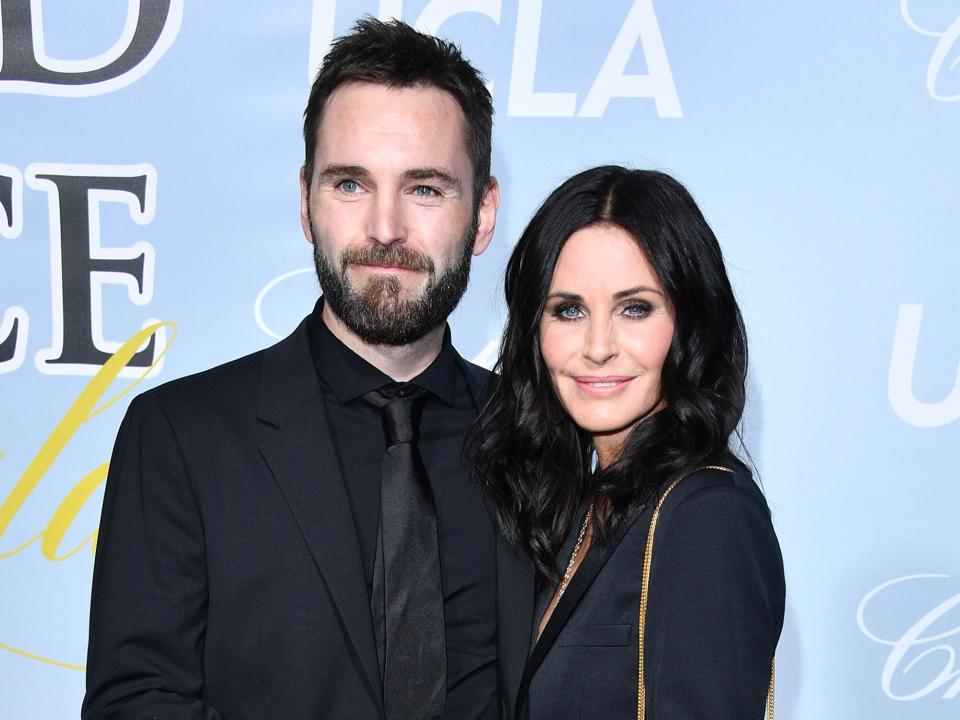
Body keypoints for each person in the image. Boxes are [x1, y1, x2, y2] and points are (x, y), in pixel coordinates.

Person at [82, 18, 534, 720]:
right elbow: (139, 703)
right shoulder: (181, 437)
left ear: (482, 214)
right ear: (305, 201)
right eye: (351, 184)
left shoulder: (541, 436)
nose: (385, 228)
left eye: (424, 189)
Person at [472, 165, 785, 718]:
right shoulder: (579, 508)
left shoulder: (709, 516)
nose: (597, 346)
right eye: (568, 310)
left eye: (634, 309)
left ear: (688, 323)